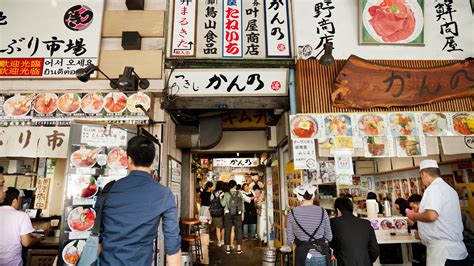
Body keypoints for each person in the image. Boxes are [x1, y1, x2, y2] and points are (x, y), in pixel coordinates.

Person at [97, 136, 181, 266]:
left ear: (128, 160)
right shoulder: (164, 194)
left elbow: (99, 238)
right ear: (152, 161)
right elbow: (172, 244)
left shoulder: (108, 190)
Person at [406, 160, 468, 266]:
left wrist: (414, 216)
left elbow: (431, 216)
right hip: (456, 251)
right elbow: (442, 220)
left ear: (424, 174)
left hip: (443, 253)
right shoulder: (449, 189)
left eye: (421, 177)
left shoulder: (433, 188)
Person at [287, 184, 332, 266]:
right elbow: (329, 237)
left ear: (299, 197)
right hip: (321, 255)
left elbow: (290, 239)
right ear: (313, 196)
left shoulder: (292, 213)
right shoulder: (323, 211)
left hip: (302, 256)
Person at [330, 197, 379, 266]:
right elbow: (375, 250)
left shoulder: (333, 223)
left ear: (338, 210)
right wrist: (367, 260)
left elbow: (332, 243)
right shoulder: (366, 223)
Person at [0, 187, 41, 266]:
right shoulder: (21, 215)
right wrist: (38, 239)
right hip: (12, 263)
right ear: (15, 201)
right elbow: (26, 242)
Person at [221, 180, 245, 254]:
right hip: (238, 214)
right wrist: (243, 214)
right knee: (239, 230)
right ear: (235, 186)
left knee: (227, 230)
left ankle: (228, 248)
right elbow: (242, 204)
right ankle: (239, 249)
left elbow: (222, 204)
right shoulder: (240, 193)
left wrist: (220, 197)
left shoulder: (226, 194)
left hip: (228, 214)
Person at [210, 181, 225, 247]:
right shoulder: (224, 193)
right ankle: (222, 240)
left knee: (217, 228)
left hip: (215, 213)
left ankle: (219, 241)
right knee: (223, 227)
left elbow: (210, 202)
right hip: (223, 212)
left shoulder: (213, 193)